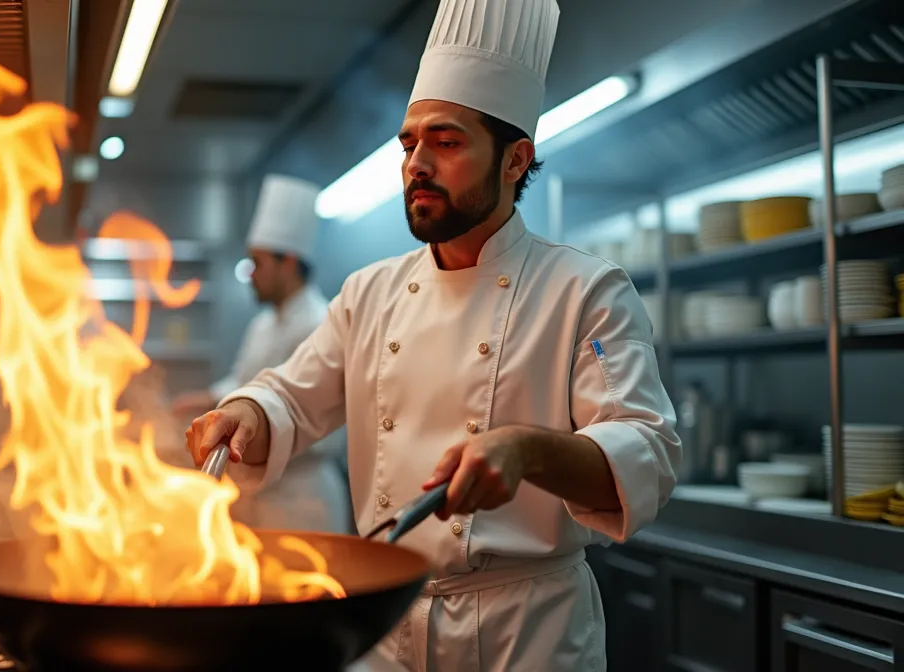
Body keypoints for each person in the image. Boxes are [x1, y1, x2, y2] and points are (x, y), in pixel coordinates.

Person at [184, 0, 680, 669]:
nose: (417, 162)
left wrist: (526, 451)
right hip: (389, 625)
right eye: (408, 144)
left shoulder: (584, 290)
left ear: (515, 160)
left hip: (526, 635)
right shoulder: (371, 294)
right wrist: (245, 411)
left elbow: (644, 448)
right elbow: (291, 400)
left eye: (445, 142)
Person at [172, 174, 351, 534]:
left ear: (288, 262)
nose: (251, 274)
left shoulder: (321, 320)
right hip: (260, 492)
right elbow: (242, 381)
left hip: (304, 497)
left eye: (258, 263)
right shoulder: (264, 324)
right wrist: (196, 401)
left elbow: (294, 402)